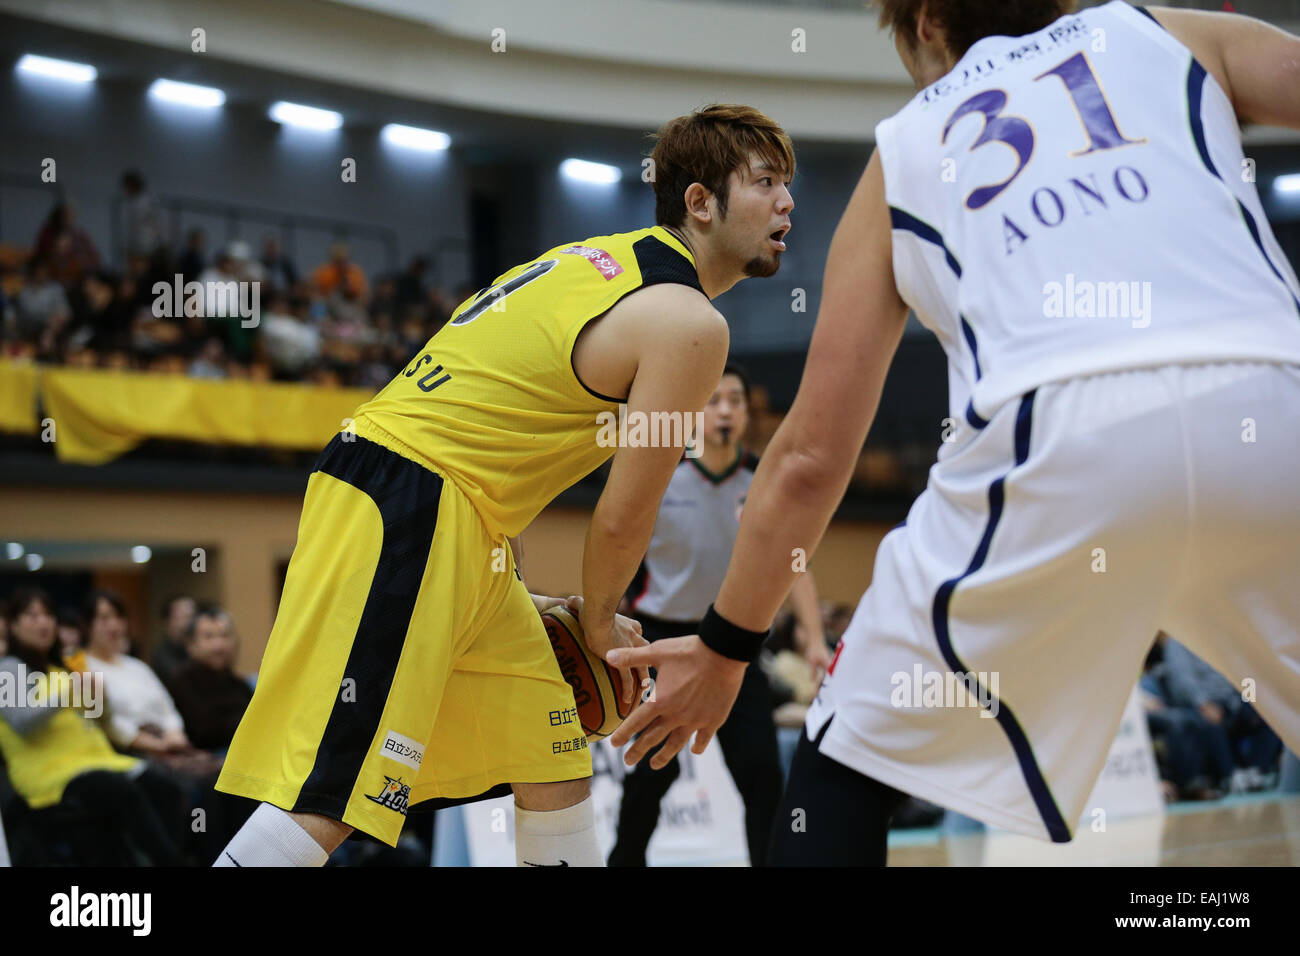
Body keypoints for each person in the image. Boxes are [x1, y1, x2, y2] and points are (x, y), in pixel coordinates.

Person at [608, 1, 1300, 865]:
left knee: (844, 761)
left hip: (1060, 434)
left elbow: (812, 459)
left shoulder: (907, 144)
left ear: (927, 21)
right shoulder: (1161, 30)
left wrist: (724, 648)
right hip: (1277, 406)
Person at [213, 104, 796, 867]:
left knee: (550, 741)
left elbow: (494, 417)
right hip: (413, 503)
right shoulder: (688, 322)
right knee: (332, 791)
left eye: (788, 185)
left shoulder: (593, 261)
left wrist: (500, 580)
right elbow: (625, 516)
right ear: (699, 202)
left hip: (444, 509)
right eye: (765, 182)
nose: (787, 203)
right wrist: (598, 626)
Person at [608, 364, 828, 866]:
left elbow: (797, 567)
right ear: (694, 412)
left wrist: (814, 640)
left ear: (748, 414)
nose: (725, 410)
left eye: (735, 400)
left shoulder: (764, 483)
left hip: (734, 641)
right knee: (648, 776)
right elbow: (617, 546)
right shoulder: (661, 474)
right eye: (714, 400)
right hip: (662, 642)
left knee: (763, 774)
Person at [0, 588, 186, 865]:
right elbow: (23, 722)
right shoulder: (9, 668)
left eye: (48, 615)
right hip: (49, 772)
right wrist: (68, 692)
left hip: (94, 760)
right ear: (13, 625)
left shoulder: (61, 668)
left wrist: (100, 698)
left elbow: (97, 721)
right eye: (31, 615)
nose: (43, 622)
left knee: (166, 788)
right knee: (119, 790)